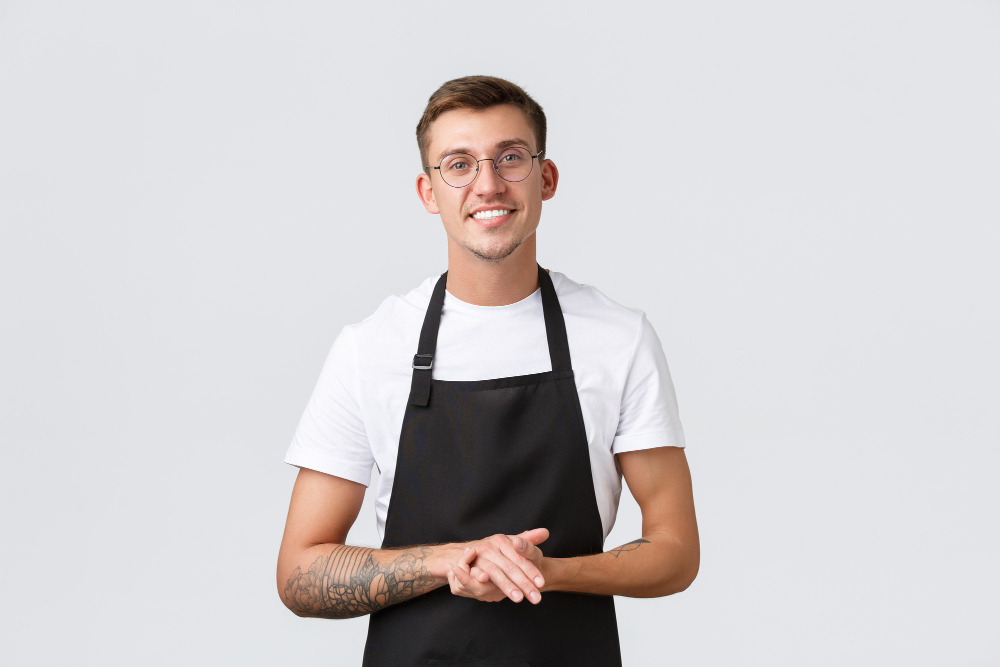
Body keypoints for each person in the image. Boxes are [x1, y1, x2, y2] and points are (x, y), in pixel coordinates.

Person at [276, 75, 699, 666]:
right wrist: (452, 561)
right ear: (429, 191)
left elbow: (677, 552)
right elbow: (299, 573)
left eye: (510, 158)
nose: (488, 184)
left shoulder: (618, 338)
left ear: (546, 178)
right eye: (459, 164)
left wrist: (542, 574)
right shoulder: (370, 348)